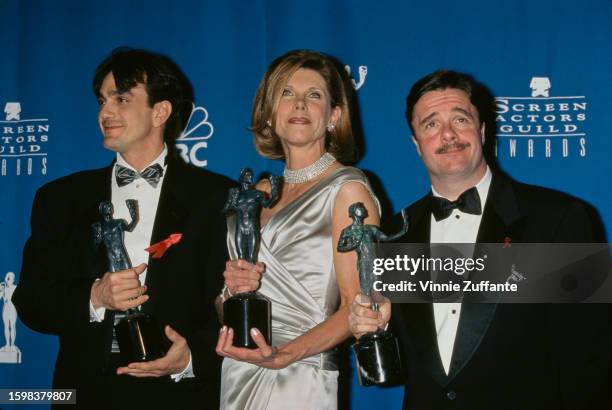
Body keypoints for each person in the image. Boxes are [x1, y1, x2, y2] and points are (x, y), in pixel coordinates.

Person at [348, 70, 611, 409]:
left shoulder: (559, 218)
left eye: (460, 119)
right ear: (416, 143)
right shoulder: (395, 233)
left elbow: (591, 357)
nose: (448, 134)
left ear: (483, 129)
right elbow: (412, 358)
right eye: (430, 124)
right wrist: (374, 325)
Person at [13, 48, 233, 409]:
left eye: (122, 99)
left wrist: (192, 357)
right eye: (102, 100)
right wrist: (95, 297)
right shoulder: (60, 198)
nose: (105, 112)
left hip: (181, 395)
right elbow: (32, 301)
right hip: (82, 393)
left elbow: (232, 302)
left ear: (160, 111)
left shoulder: (216, 197)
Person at [215, 49, 380, 409]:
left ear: (334, 116)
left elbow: (358, 308)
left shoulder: (348, 189)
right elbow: (225, 305)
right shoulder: (254, 196)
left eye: (314, 95)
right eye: (287, 93)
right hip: (240, 369)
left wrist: (284, 355)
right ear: (270, 115)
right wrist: (231, 292)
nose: (300, 104)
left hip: (301, 373)